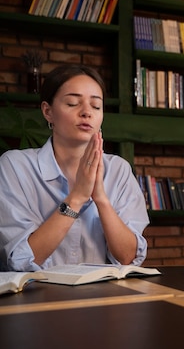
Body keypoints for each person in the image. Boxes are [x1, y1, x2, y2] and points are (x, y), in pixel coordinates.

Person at [0, 64, 149, 272]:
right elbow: (21, 260)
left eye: (96, 106)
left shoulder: (118, 170)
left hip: (104, 299)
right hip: (35, 300)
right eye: (72, 103)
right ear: (48, 111)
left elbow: (128, 258)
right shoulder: (15, 167)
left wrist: (101, 199)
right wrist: (77, 197)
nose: (87, 112)